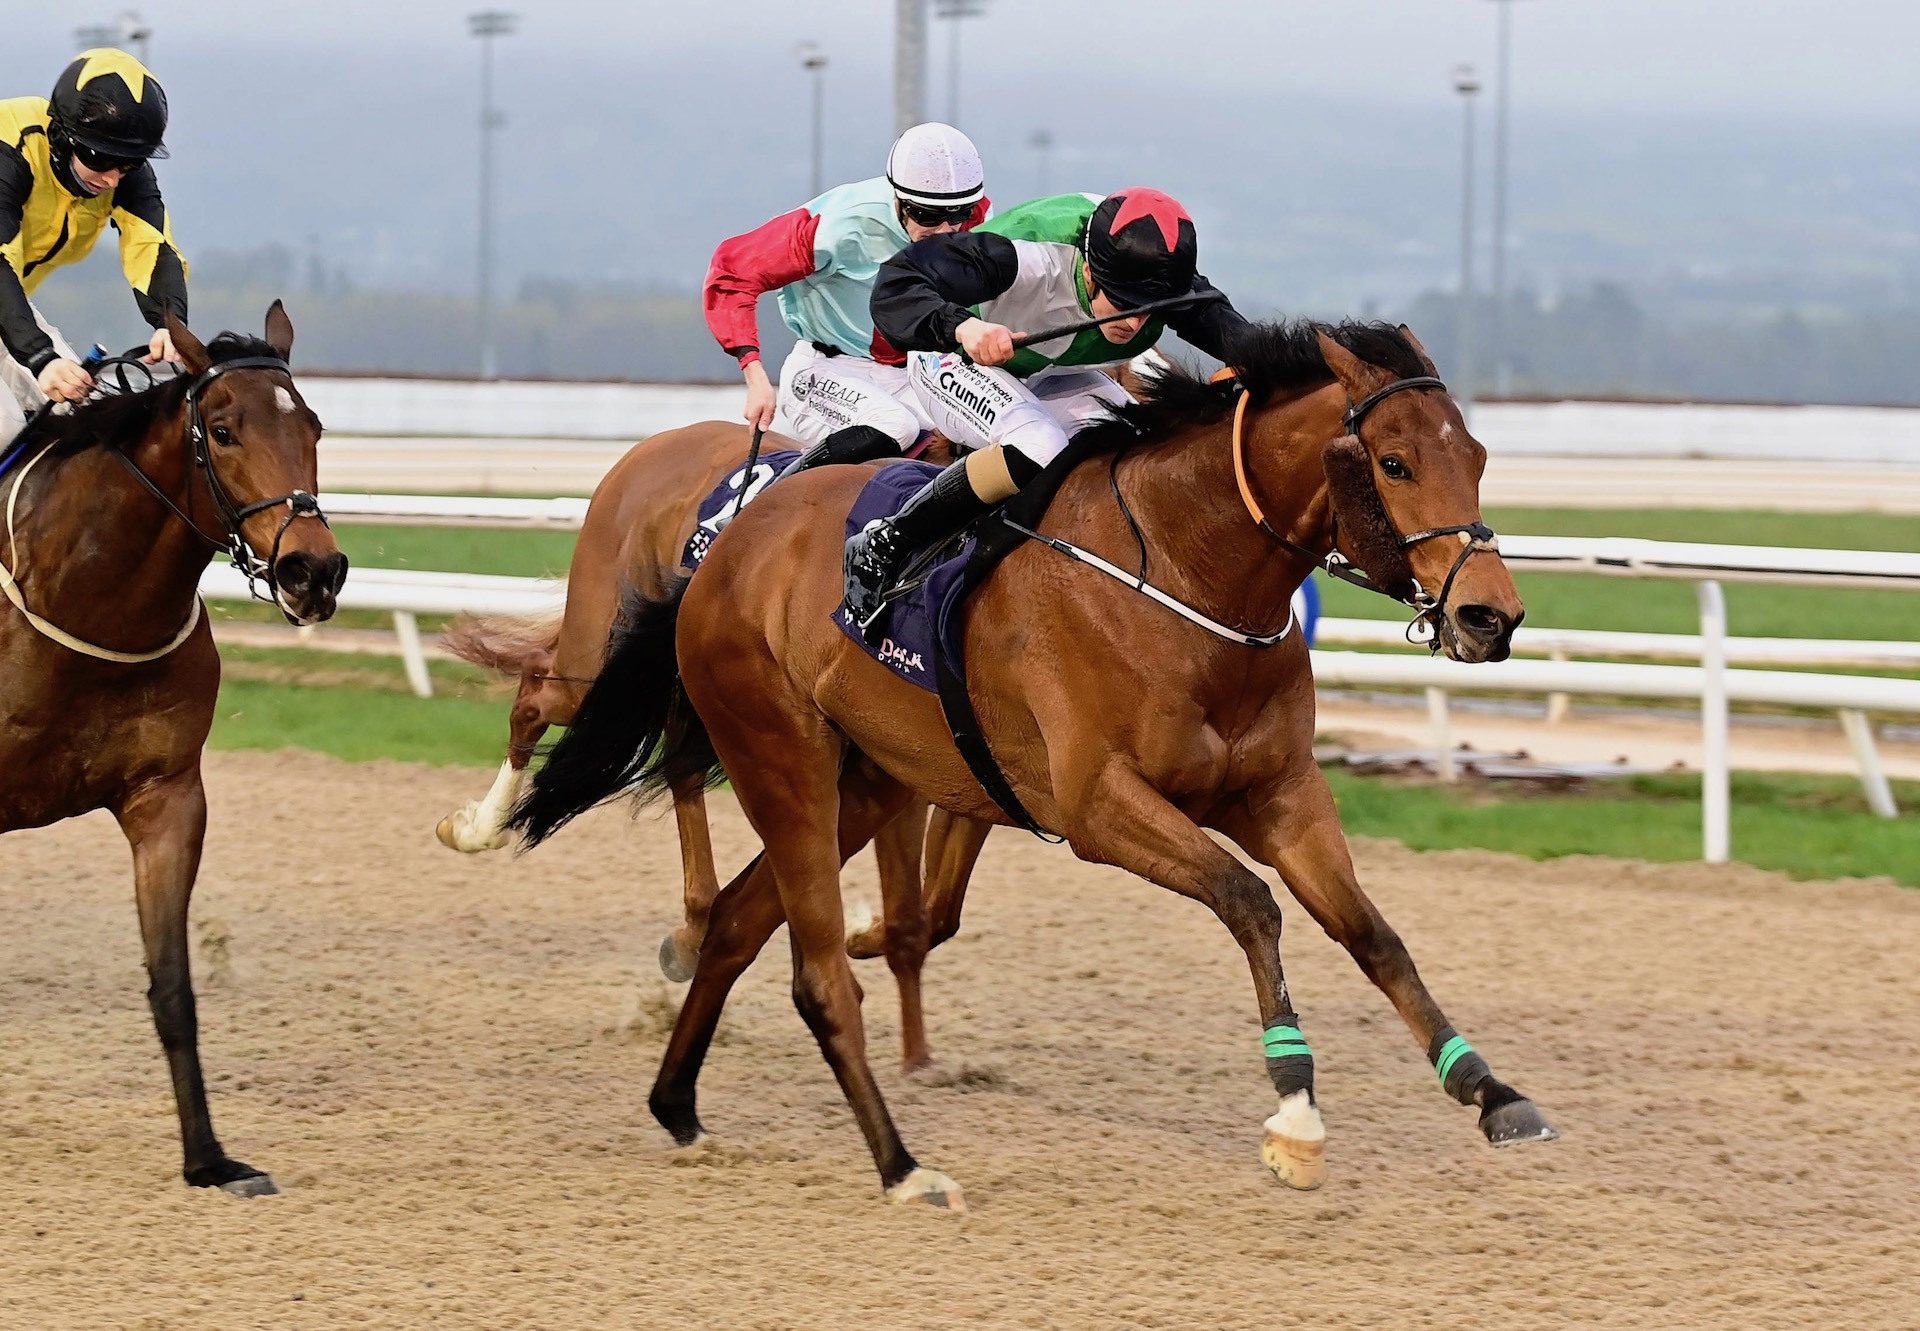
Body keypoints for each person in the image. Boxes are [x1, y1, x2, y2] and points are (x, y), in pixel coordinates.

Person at [843, 188, 1253, 623]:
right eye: (1123, 302)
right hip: (949, 357)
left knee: (1137, 443)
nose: (1134, 322)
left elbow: (1247, 343)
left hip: (1042, 371)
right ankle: (888, 540)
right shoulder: (1025, 255)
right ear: (1091, 269)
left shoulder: (1160, 275)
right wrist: (962, 327)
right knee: (1039, 443)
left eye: (1149, 310)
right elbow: (896, 284)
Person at [702, 122, 988, 479]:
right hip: (825, 372)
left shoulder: (976, 217)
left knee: (994, 426)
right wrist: (754, 374)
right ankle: (774, 497)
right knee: (895, 426)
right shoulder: (837, 226)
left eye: (959, 215)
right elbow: (731, 271)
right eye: (927, 216)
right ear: (899, 200)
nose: (946, 230)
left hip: (912, 372)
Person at [0, 48, 186, 449]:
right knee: (4, 428)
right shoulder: (9, 147)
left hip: (6, 308)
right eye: (101, 160)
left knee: (79, 413)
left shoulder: (121, 173)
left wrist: (170, 323)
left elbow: (152, 246)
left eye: (128, 164)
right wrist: (40, 357)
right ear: (61, 138)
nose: (112, 179)